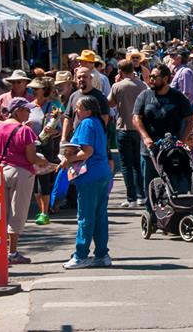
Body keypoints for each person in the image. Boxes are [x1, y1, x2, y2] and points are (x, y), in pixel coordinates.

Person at [0, 97, 52, 264]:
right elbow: (31, 157)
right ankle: (13, 252)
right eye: (26, 110)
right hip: (21, 172)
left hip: (0, 170)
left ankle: (0, 251)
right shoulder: (24, 131)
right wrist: (44, 162)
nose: (29, 112)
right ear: (17, 111)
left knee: (2, 212)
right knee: (18, 211)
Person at [132, 64, 193, 212]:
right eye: (150, 77)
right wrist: (146, 137)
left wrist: (183, 139)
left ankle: (173, 214)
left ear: (165, 79)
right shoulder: (145, 95)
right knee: (151, 185)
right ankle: (151, 215)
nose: (150, 79)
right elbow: (136, 118)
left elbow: (190, 119)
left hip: (172, 150)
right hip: (150, 150)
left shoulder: (177, 97)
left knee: (173, 183)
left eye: (154, 77)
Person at [61, 96, 113, 269]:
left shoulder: (86, 124)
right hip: (102, 172)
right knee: (99, 215)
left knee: (85, 216)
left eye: (78, 107)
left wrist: (69, 159)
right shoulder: (97, 123)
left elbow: (87, 152)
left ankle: (81, 254)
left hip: (90, 174)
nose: (76, 110)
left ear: (88, 110)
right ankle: (101, 254)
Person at [108, 59, 148, 208]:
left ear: (120, 71)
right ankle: (141, 195)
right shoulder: (142, 85)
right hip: (139, 128)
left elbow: (109, 104)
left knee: (126, 164)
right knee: (138, 163)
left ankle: (131, 197)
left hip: (123, 127)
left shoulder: (117, 86)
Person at [26, 76, 63, 225]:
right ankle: (41, 209)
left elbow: (59, 130)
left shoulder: (52, 106)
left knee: (44, 180)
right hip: (30, 145)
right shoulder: (29, 106)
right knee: (34, 180)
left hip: (45, 146)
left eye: (36, 89)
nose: (33, 91)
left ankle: (44, 212)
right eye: (32, 89)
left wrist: (52, 131)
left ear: (44, 90)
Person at [60, 67, 109, 143]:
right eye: (79, 77)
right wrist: (63, 138)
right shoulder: (73, 96)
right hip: (76, 140)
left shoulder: (100, 96)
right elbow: (68, 118)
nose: (81, 79)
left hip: (94, 141)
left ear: (90, 78)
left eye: (84, 77)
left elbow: (104, 119)